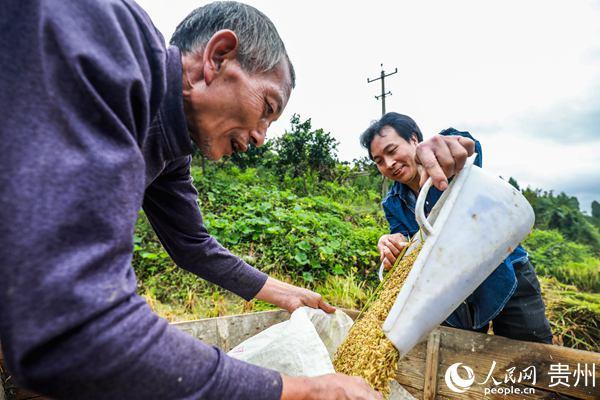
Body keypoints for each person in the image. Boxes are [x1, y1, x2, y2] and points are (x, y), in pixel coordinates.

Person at [0, 1, 383, 399]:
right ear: (217, 58)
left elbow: (193, 245)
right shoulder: (108, 38)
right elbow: (75, 320)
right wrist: (303, 391)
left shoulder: (171, 148)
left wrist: (284, 293)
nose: (260, 137)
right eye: (267, 109)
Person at [360, 112, 553, 344]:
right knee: (465, 362)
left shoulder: (447, 164)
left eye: (392, 151)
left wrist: (447, 144)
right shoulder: (392, 203)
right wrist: (391, 243)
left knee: (532, 358)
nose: (389, 163)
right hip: (453, 290)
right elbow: (405, 239)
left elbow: (466, 147)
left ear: (414, 140)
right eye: (379, 160)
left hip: (504, 272)